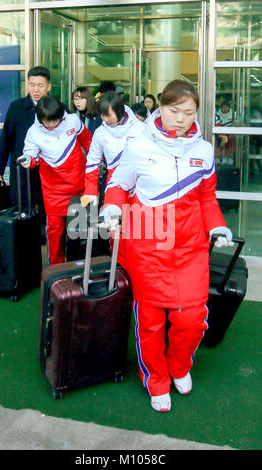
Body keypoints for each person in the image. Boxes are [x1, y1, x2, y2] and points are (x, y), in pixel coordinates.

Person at [99, 79, 234, 413]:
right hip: (148, 247)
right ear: (161, 106)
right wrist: (113, 206)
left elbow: (206, 196)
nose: (181, 119)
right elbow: (118, 183)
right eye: (175, 110)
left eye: (189, 113)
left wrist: (217, 224)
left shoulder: (203, 151)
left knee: (192, 319)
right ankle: (156, 378)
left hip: (190, 249)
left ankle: (179, 364)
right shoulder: (138, 145)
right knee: (151, 320)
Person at [19, 95, 92, 266]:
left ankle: (80, 266)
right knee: (55, 231)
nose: (51, 124)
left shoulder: (73, 121)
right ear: (40, 118)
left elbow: (88, 141)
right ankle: (56, 268)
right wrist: (28, 161)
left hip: (80, 186)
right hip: (53, 190)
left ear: (62, 116)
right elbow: (30, 154)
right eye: (47, 121)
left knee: (82, 229)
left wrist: (96, 164)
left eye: (55, 120)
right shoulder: (34, 132)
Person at [0, 66, 69, 209]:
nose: (35, 90)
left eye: (40, 85)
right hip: (24, 171)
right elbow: (6, 138)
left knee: (51, 210)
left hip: (52, 170)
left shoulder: (61, 109)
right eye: (32, 85)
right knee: (24, 211)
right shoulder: (16, 107)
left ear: (48, 86)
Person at [81, 91, 145, 207]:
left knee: (137, 222)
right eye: (102, 115)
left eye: (108, 115)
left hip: (139, 184)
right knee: (112, 221)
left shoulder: (141, 129)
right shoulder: (100, 133)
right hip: (113, 183)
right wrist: (90, 192)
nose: (105, 119)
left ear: (119, 111)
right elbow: (92, 162)